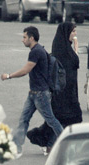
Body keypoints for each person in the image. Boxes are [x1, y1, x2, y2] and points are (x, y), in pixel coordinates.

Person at [1, 26, 64, 155]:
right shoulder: (39, 50)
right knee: (24, 119)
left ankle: (66, 143)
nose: (22, 40)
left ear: (32, 38)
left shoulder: (36, 51)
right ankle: (16, 148)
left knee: (51, 120)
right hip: (34, 94)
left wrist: (9, 76)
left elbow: (25, 70)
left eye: (24, 37)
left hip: (41, 94)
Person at [26, 22, 83, 152]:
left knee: (65, 118)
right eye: (73, 31)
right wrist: (76, 47)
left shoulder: (66, 49)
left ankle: (51, 143)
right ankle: (53, 145)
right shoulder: (61, 51)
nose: (75, 34)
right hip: (61, 92)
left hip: (70, 91)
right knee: (64, 117)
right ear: (66, 33)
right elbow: (74, 62)